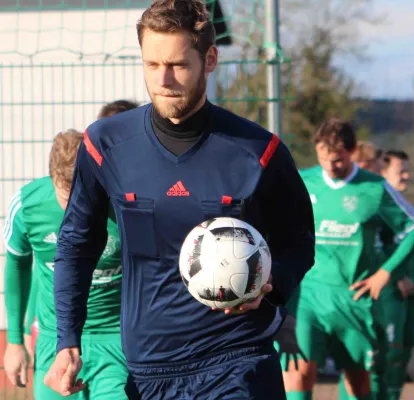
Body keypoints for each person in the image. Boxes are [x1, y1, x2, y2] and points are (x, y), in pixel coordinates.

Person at [43, 0, 315, 398]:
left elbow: (299, 242)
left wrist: (273, 283)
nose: (164, 79)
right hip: (149, 368)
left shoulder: (259, 152)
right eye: (152, 65)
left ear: (210, 59)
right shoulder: (106, 145)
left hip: (237, 357)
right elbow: (76, 245)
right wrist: (67, 340)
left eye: (178, 65)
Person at [281, 118, 414, 400]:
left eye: (336, 160)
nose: (329, 166)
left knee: (359, 385)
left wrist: (385, 273)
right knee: (298, 371)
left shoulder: (374, 188)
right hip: (309, 297)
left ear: (350, 152)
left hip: (354, 300)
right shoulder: (304, 181)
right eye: (323, 159)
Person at [2, 130, 127, 399]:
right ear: (53, 178)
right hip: (55, 343)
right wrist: (15, 340)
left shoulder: (123, 205)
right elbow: (18, 266)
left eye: (82, 199)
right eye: (66, 200)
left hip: (116, 341)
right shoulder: (27, 206)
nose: (75, 211)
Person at [352, 145, 414, 399]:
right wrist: (396, 276)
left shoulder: (400, 205)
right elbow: (377, 250)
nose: (406, 177)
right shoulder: (376, 203)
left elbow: (410, 245)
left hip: (408, 291)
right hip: (387, 291)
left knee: (402, 351)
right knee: (382, 355)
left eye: (407, 171)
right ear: (382, 171)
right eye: (400, 172)